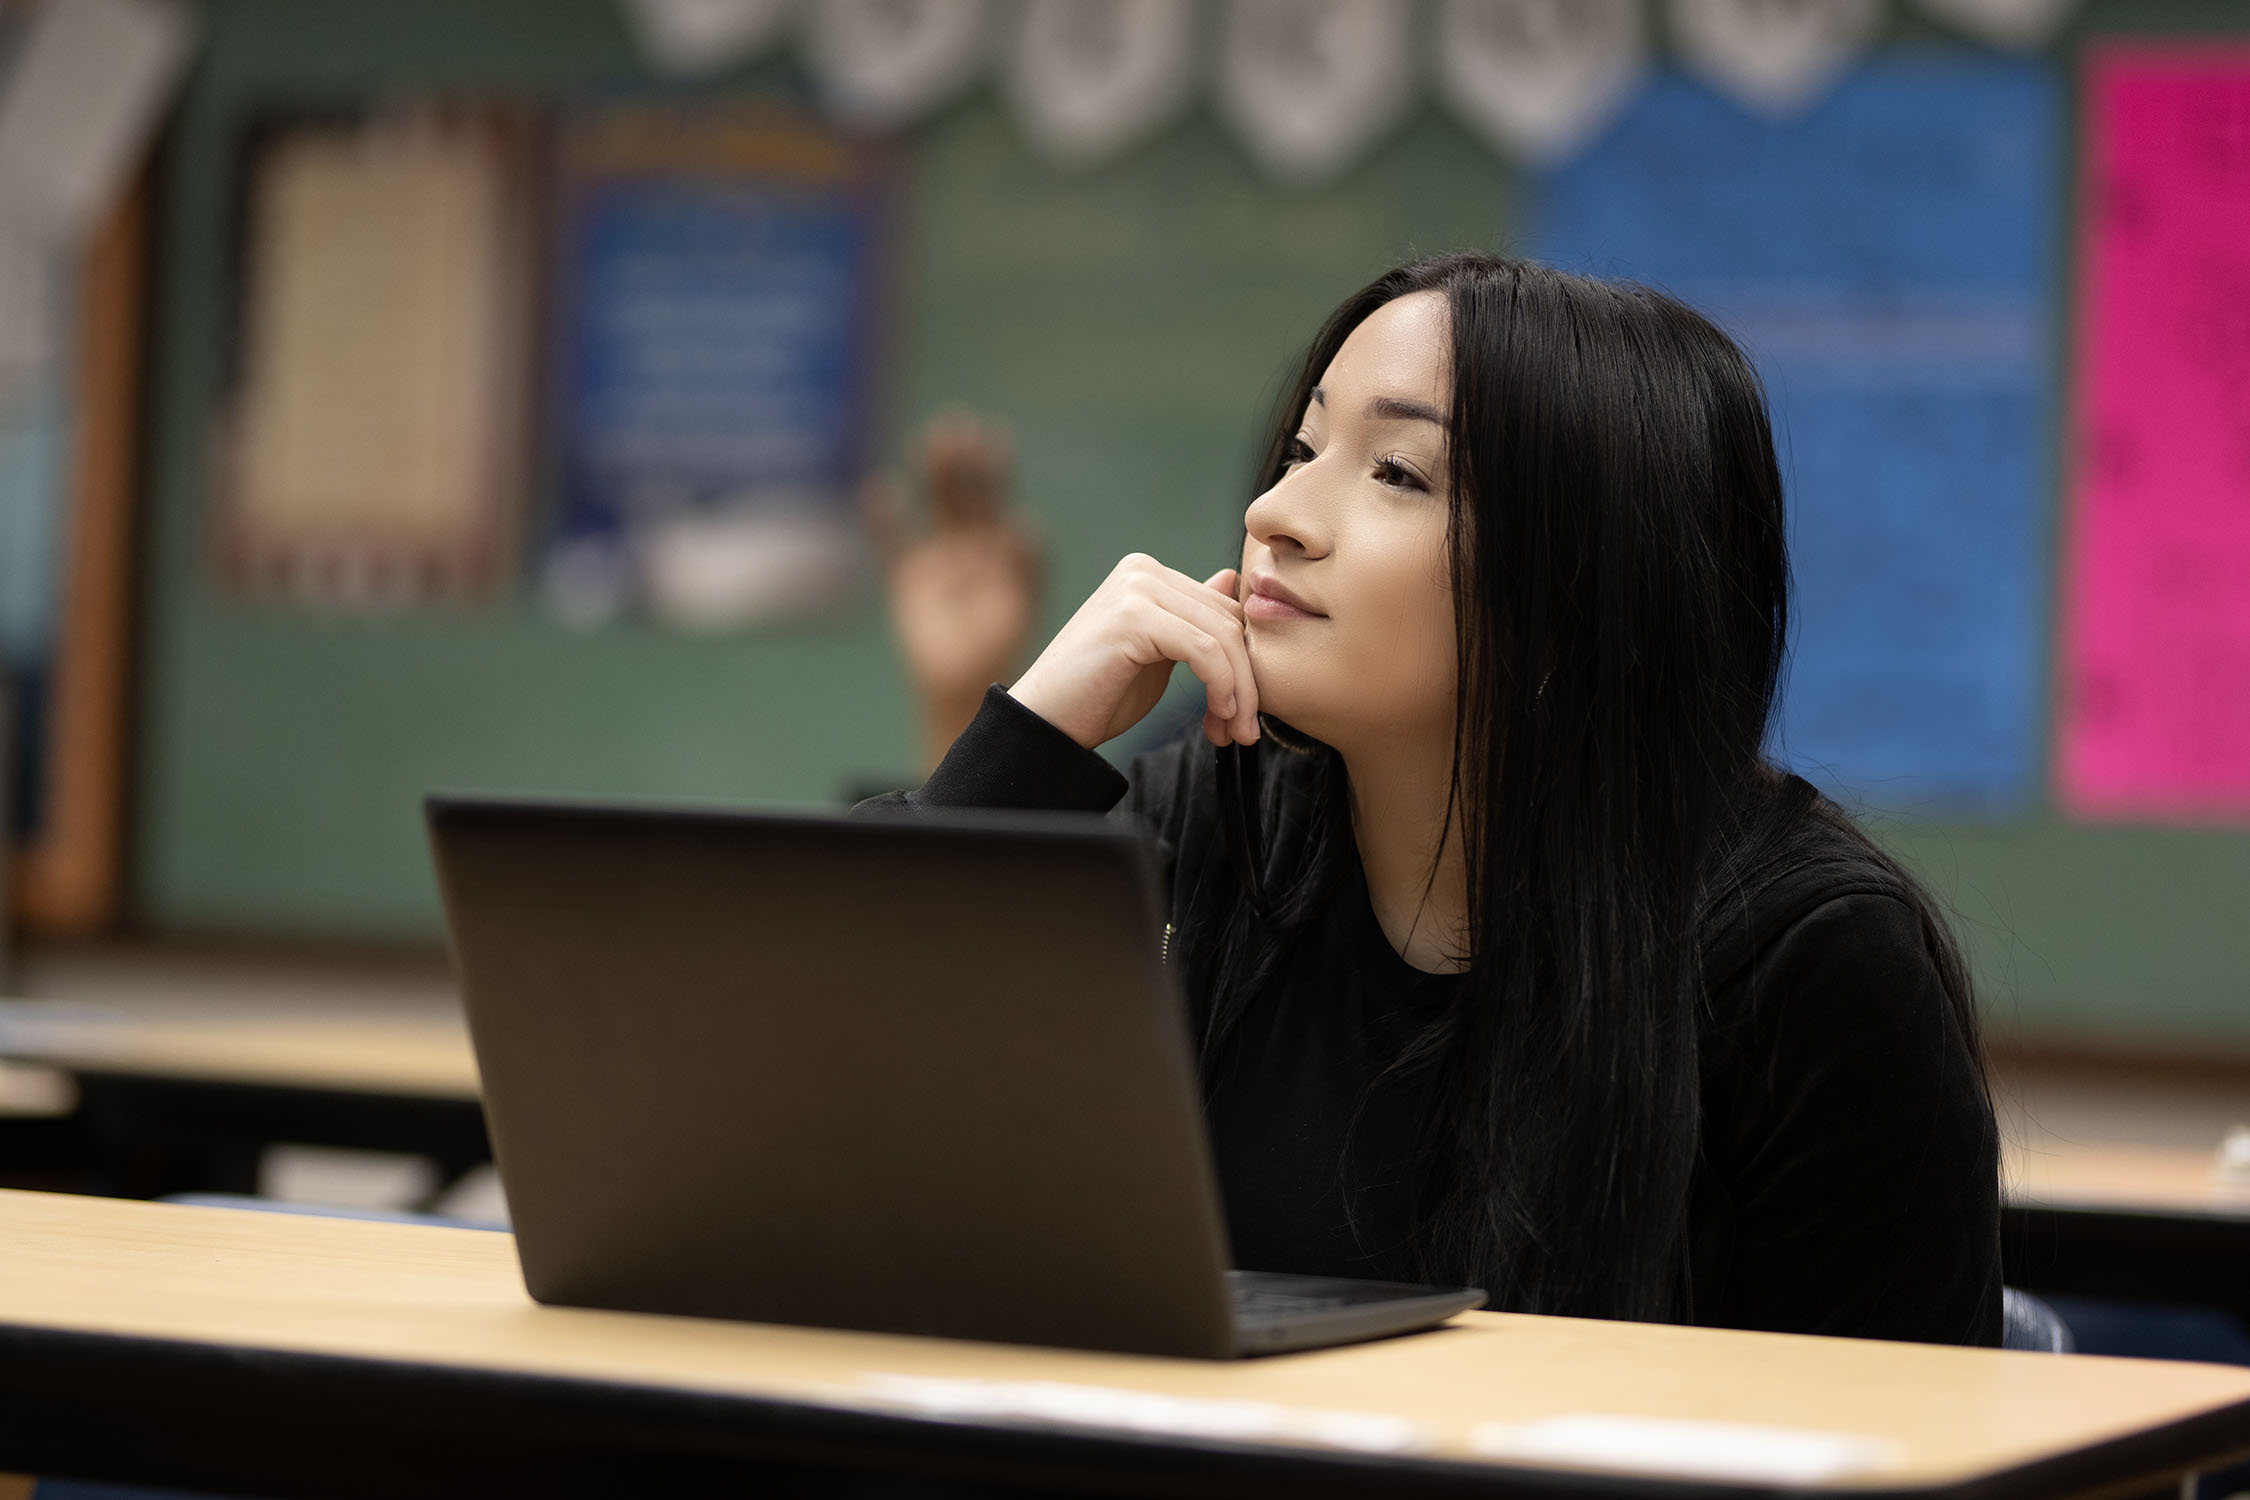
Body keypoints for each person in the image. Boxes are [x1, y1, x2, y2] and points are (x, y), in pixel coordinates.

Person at [864, 253, 2001, 1345]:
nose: (1276, 512)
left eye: (1397, 472)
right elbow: (819, 1112)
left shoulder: (1809, 960)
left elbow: (1914, 1443)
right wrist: (1030, 733)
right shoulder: (1209, 832)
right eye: (1303, 447)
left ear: (1583, 579)